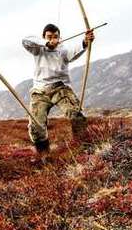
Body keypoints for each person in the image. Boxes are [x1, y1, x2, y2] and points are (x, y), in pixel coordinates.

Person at [22, 24, 95, 156]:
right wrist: (46, 43)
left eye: (56, 37)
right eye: (49, 36)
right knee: (36, 126)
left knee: (76, 114)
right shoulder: (38, 49)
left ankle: (84, 150)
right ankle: (43, 155)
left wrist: (85, 42)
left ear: (60, 37)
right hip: (40, 91)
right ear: (43, 37)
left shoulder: (63, 49)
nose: (53, 39)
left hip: (60, 88)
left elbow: (75, 50)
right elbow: (26, 40)